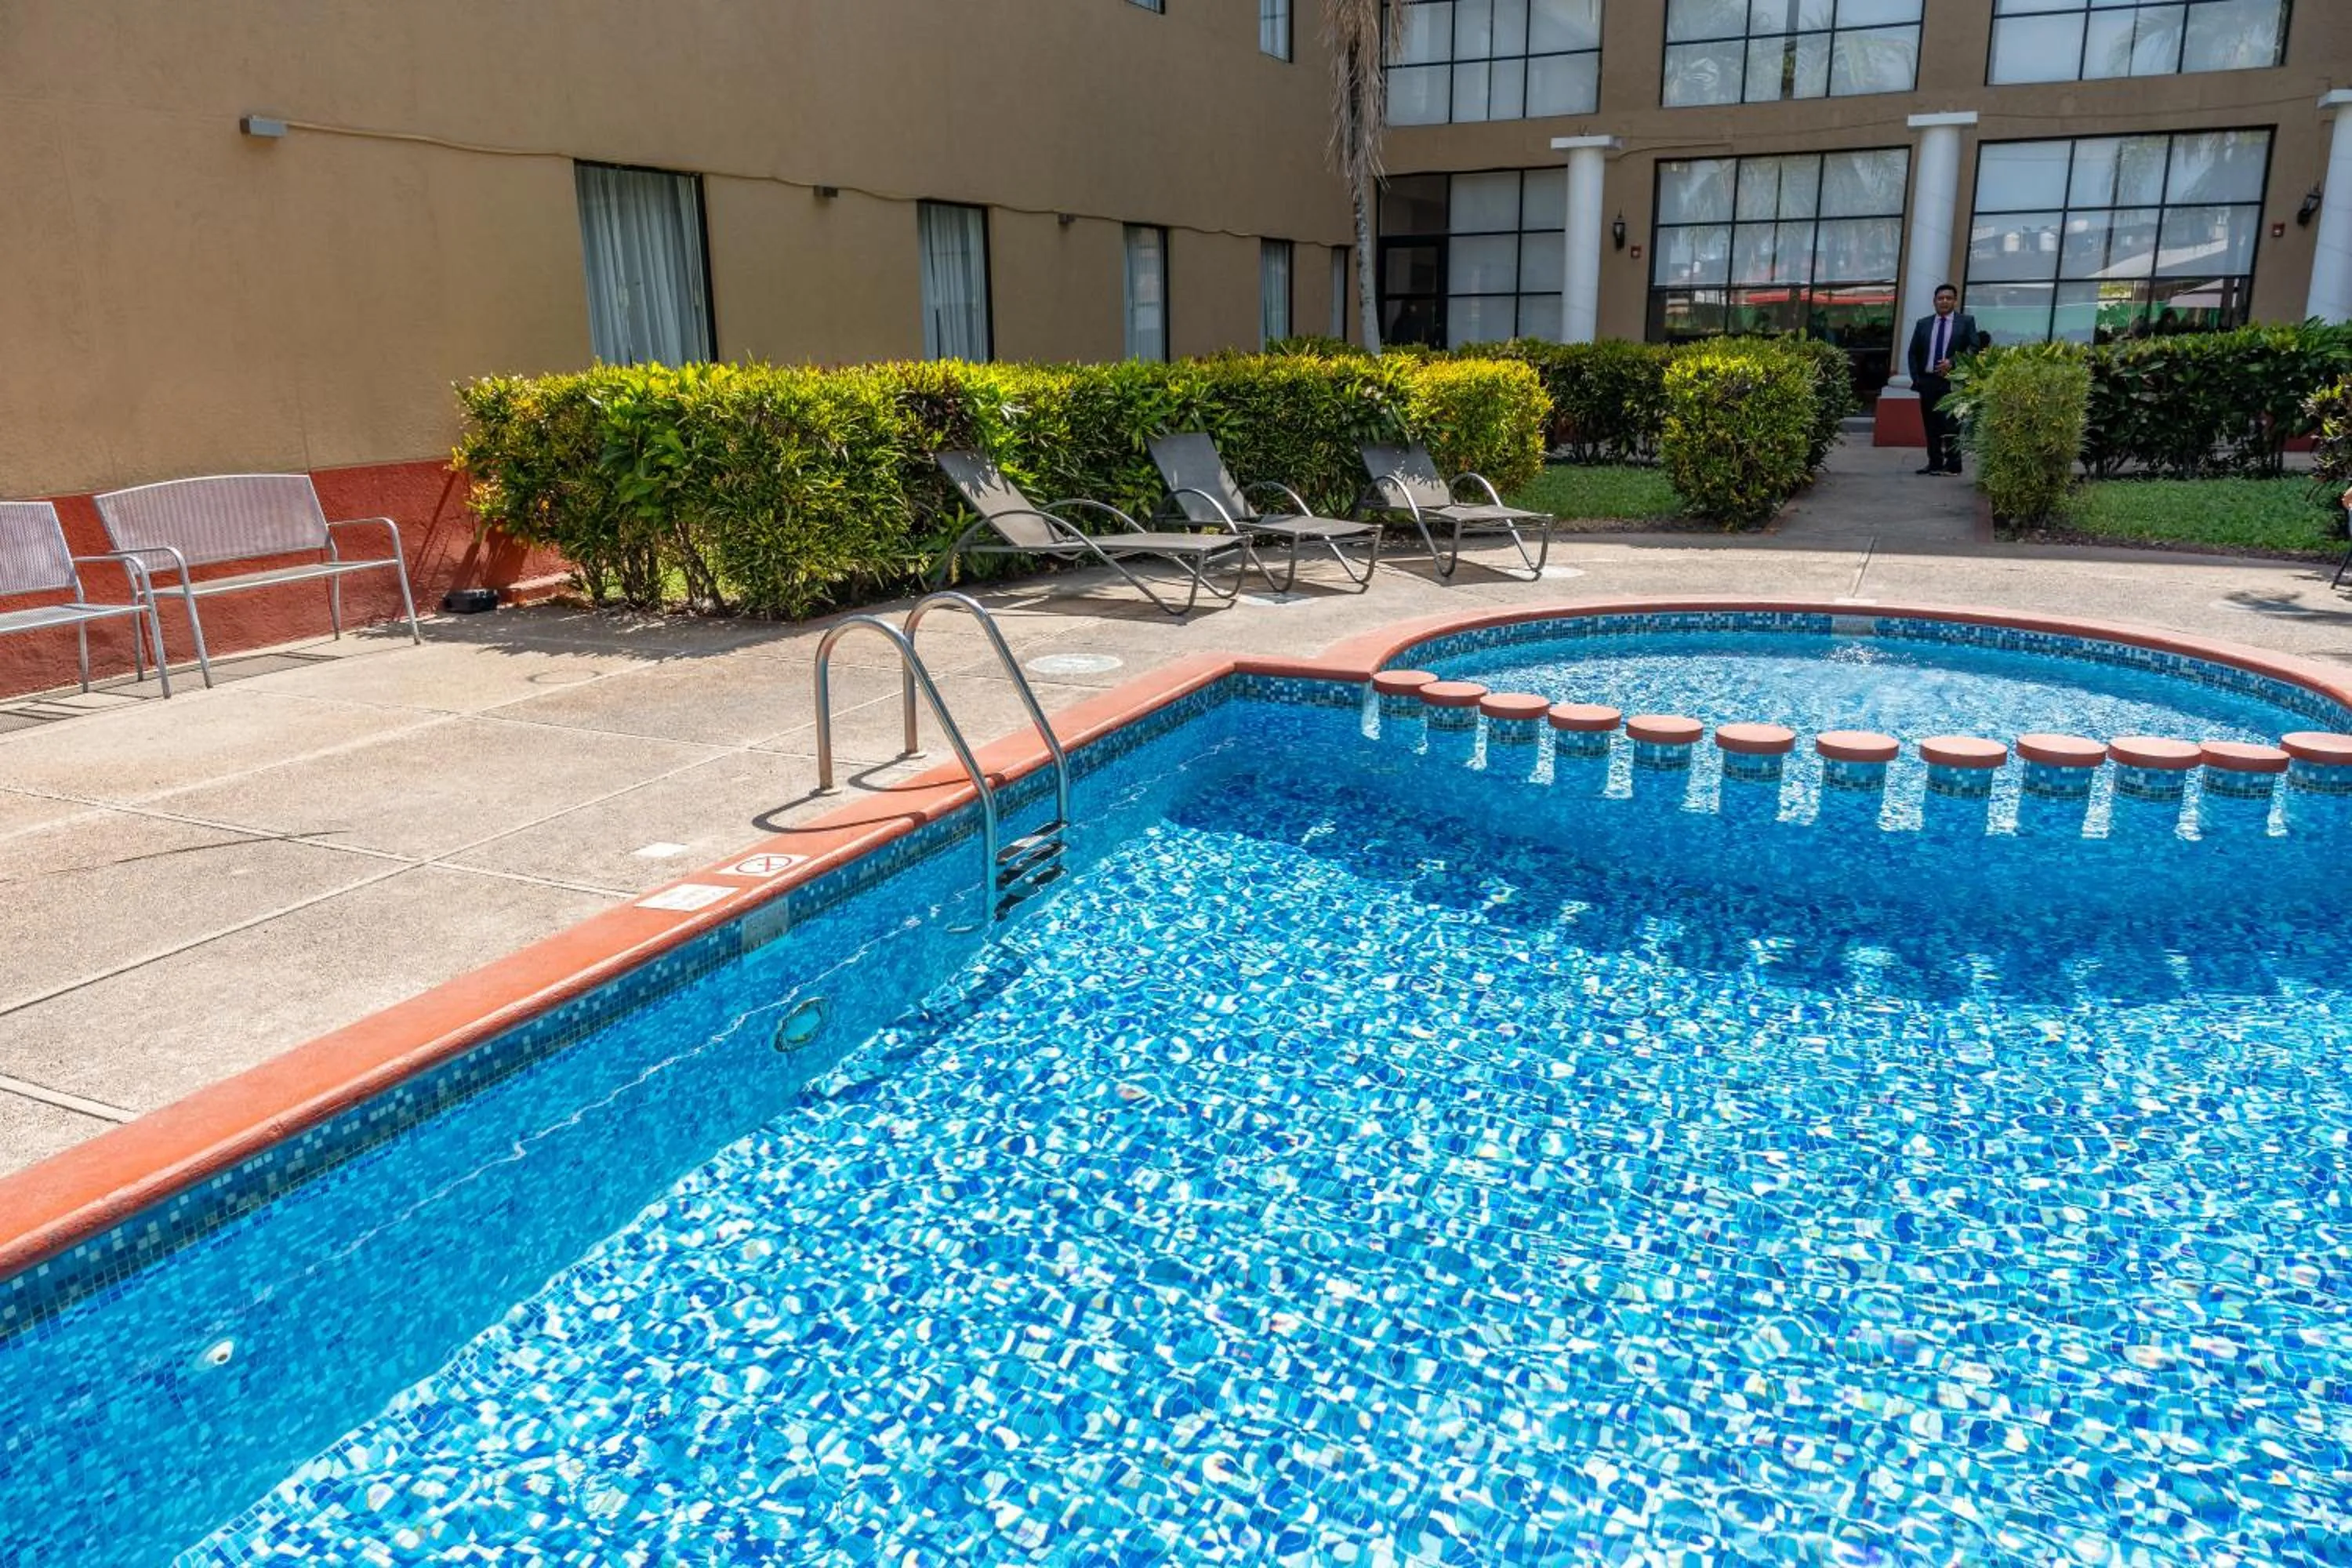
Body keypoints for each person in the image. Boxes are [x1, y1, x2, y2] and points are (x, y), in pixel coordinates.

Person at [1906, 284, 1976, 477]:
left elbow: (1974, 348)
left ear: (1954, 301)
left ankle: (1954, 465)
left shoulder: (1966, 322)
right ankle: (1935, 463)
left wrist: (1952, 363)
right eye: (1940, 298)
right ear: (1934, 301)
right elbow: (1913, 353)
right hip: (1927, 382)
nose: (1944, 301)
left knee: (1951, 423)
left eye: (1948, 298)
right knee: (1931, 424)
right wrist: (1917, 379)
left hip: (1951, 382)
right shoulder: (1923, 324)